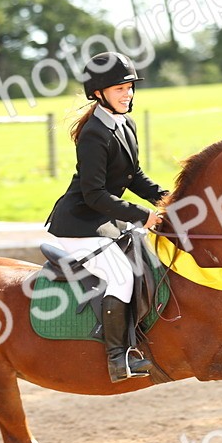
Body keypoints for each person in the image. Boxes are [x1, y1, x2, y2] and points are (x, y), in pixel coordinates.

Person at [45, 52, 169, 382]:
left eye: (129, 87)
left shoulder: (125, 124)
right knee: (121, 276)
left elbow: (135, 176)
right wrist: (144, 215)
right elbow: (94, 195)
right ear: (99, 93)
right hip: (79, 225)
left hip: (104, 222)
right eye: (119, 88)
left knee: (148, 261)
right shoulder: (94, 134)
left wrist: (169, 199)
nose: (127, 93)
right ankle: (118, 358)